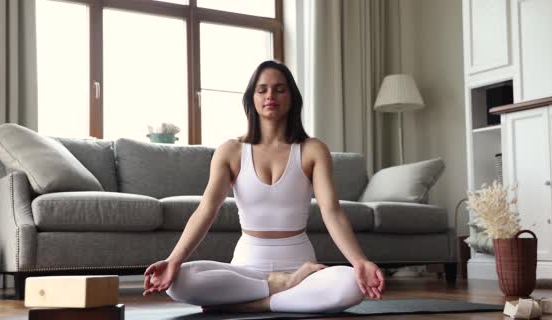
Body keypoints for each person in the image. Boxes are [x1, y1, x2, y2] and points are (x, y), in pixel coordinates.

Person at [143, 60, 385, 313]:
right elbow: (206, 210)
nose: (271, 95)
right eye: (262, 89)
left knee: (351, 285)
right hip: (246, 270)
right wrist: (173, 260)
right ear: (252, 98)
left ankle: (252, 304)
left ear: (292, 97)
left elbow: (331, 211)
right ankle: (278, 291)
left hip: (301, 269)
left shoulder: (312, 150)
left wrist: (360, 261)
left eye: (280, 89)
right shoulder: (231, 151)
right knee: (179, 283)